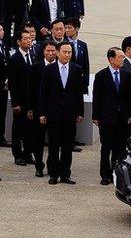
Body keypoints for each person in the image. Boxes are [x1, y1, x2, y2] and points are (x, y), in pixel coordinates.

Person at [39, 41, 84, 185]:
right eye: (64, 52)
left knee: (67, 146)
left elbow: (79, 93)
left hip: (70, 114)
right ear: (58, 53)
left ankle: (65, 174)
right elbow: (43, 93)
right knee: (53, 144)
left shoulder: (76, 69)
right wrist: (42, 113)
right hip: (53, 114)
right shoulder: (49, 70)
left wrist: (79, 112)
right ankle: (53, 173)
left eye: (70, 52)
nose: (67, 55)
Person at [92, 47, 131, 186]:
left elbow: (128, 97)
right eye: (120, 57)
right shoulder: (101, 76)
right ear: (111, 59)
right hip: (106, 118)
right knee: (106, 148)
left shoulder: (126, 74)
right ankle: (105, 175)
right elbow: (97, 97)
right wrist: (95, 116)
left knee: (119, 148)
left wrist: (129, 114)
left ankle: (116, 173)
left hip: (121, 118)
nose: (123, 59)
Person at [27, 40, 57, 177]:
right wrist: (31, 109)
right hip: (39, 109)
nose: (50, 53)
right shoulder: (36, 67)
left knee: (54, 141)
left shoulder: (60, 66)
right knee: (38, 140)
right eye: (48, 51)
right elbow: (31, 90)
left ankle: (52, 166)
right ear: (43, 52)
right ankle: (39, 165)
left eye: (52, 51)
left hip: (55, 111)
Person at [8, 30, 35, 166]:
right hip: (20, 100)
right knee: (18, 128)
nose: (28, 40)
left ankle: (28, 153)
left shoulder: (34, 55)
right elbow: (13, 83)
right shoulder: (14, 59)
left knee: (30, 128)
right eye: (25, 38)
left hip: (32, 100)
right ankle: (17, 155)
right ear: (19, 41)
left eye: (30, 38)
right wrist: (15, 103)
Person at [64, 18, 90, 94]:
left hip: (79, 83)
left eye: (69, 28)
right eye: (66, 28)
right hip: (66, 82)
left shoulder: (83, 45)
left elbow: (86, 65)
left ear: (77, 29)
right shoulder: (62, 44)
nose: (67, 30)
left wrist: (86, 84)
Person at [0, 25, 9, 147]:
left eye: (2, 29)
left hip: (4, 85)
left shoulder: (4, 45)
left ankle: (1, 136)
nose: (2, 32)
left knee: (2, 112)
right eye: (0, 30)